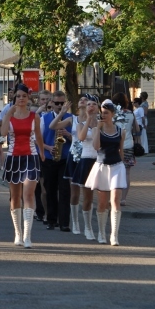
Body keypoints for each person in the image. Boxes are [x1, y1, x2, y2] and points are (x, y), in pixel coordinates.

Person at [1, 84, 45, 248]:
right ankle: (17, 233)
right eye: (18, 96)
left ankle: (27, 235)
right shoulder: (10, 115)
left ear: (28, 99)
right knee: (15, 196)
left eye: (24, 96)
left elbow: (38, 136)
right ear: (14, 99)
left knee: (28, 194)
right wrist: (8, 114)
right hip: (13, 157)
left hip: (31, 157)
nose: (21, 99)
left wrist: (41, 152)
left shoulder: (35, 117)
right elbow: (3, 133)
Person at [85, 100, 127, 246]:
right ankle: (101, 232)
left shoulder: (121, 131)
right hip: (102, 166)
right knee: (102, 202)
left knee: (115, 200)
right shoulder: (98, 128)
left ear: (112, 114)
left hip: (116, 166)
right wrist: (97, 128)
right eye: (102, 113)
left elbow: (121, 152)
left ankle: (114, 235)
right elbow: (96, 147)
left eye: (106, 113)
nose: (103, 115)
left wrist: (123, 166)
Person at [49, 95, 89, 234]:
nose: (82, 101)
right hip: (75, 157)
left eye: (86, 100)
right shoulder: (72, 119)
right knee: (74, 192)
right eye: (80, 100)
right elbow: (52, 126)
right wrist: (61, 113)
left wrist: (69, 135)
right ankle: (75, 223)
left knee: (88, 193)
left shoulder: (96, 121)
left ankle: (87, 225)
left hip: (89, 156)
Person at [41, 91, 72, 231]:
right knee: (50, 190)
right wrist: (48, 147)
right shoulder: (44, 118)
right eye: (57, 103)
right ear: (52, 103)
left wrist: (68, 134)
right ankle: (52, 220)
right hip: (49, 158)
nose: (60, 106)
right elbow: (37, 139)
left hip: (65, 157)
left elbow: (78, 139)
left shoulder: (71, 118)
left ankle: (64, 222)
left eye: (62, 103)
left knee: (65, 190)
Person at [71, 96, 100, 240]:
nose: (91, 106)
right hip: (86, 160)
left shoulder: (102, 123)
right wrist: (88, 119)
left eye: (94, 104)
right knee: (87, 198)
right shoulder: (80, 123)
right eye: (89, 104)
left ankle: (101, 229)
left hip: (100, 161)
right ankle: (87, 228)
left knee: (102, 198)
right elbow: (81, 138)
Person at [112, 93, 139, 206]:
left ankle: (114, 197)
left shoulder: (113, 114)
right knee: (127, 173)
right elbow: (137, 129)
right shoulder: (130, 113)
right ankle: (123, 198)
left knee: (114, 172)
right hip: (129, 145)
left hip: (115, 146)